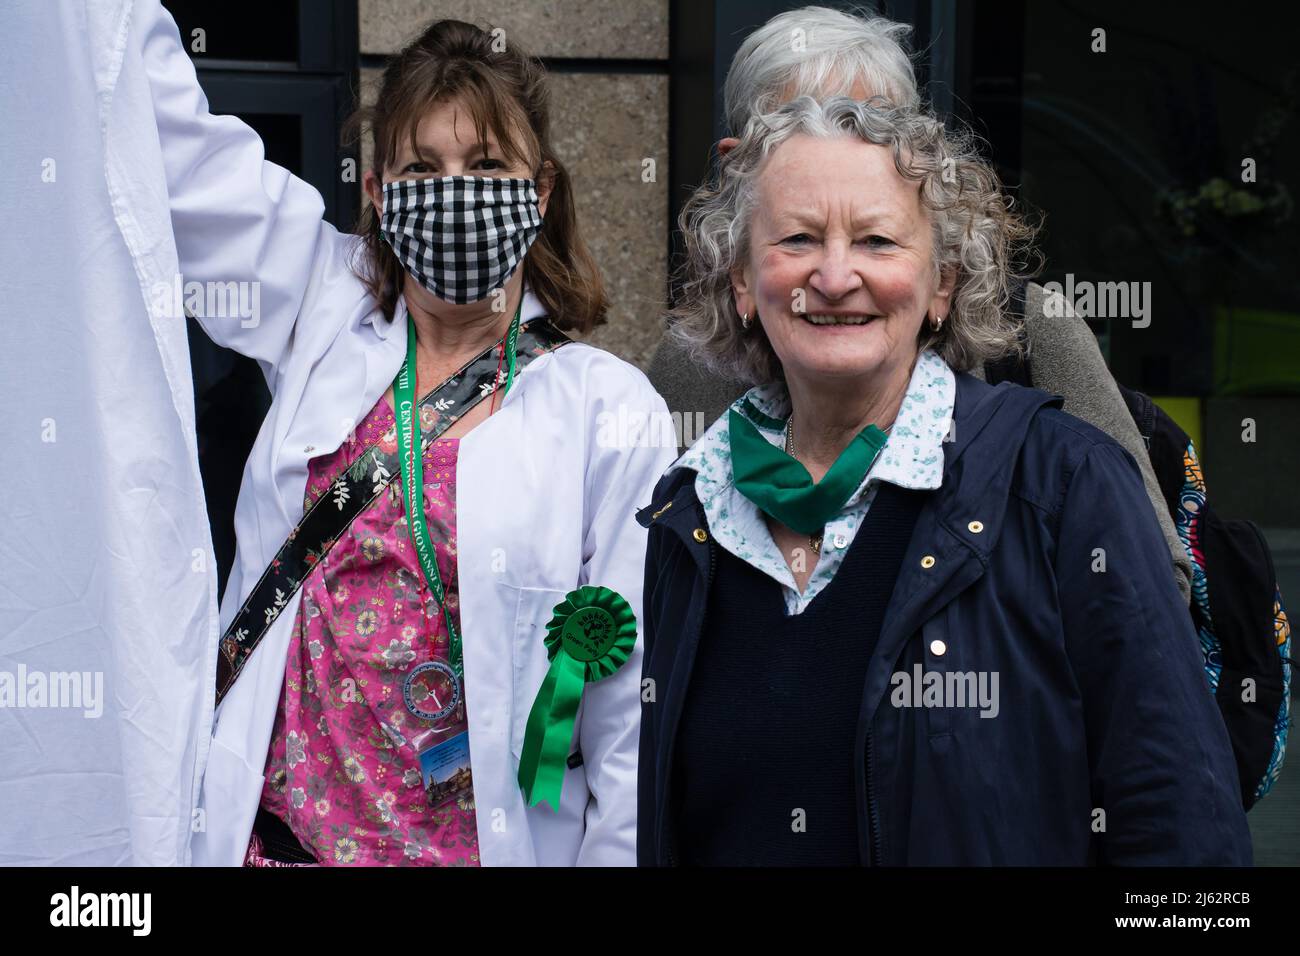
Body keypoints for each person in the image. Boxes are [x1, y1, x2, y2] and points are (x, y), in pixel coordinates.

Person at [635, 95, 1250, 865]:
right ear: (741, 284)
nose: (834, 274)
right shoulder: (691, 507)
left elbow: (1177, 816)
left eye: (877, 240)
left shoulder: (1064, 483)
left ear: (942, 288)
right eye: (797, 238)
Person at [131, 4, 673, 865]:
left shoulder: (608, 411)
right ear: (380, 191)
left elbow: (626, 728)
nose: (456, 190)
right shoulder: (321, 307)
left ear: (539, 192)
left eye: (487, 164)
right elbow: (180, 158)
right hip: (275, 846)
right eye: (423, 167)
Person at [646, 5, 1192, 604]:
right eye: (802, 128)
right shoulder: (688, 362)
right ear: (735, 166)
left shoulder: (1031, 328)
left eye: (875, 129)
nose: (845, 153)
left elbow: (1146, 581)